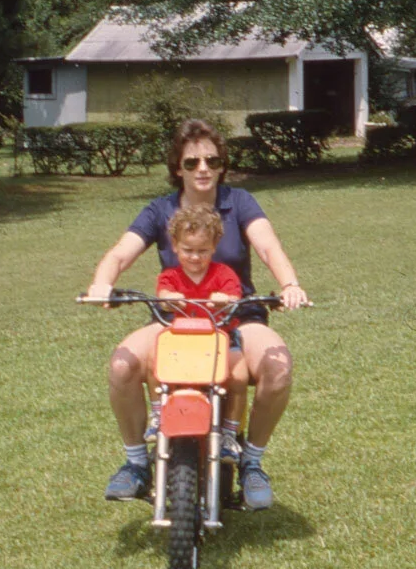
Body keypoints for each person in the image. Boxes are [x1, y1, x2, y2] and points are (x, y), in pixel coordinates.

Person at [87, 118, 310, 510]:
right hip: (177, 319)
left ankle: (251, 463)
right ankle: (136, 463)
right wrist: (102, 283)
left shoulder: (239, 202)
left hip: (237, 315)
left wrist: (289, 284)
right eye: (192, 162)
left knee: (279, 368)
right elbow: (120, 253)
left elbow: (268, 247)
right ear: (178, 168)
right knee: (122, 364)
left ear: (222, 165)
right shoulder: (161, 210)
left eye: (212, 160)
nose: (203, 168)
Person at [154, 204, 251, 457]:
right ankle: (157, 415)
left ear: (214, 247)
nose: (195, 257)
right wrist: (169, 299)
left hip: (221, 338)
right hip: (183, 340)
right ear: (175, 246)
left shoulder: (223, 273)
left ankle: (229, 432)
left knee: (239, 375)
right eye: (188, 250)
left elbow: (234, 296)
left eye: (202, 251)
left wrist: (225, 299)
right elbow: (163, 295)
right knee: (153, 363)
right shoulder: (170, 276)